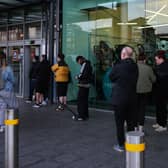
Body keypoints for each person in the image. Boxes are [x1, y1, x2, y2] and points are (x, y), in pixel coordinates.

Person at [109, 46, 138, 152]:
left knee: (119, 124)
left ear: (124, 54)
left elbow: (111, 77)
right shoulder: (135, 66)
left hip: (119, 99)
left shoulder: (119, 66)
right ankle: (131, 143)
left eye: (121, 53)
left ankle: (121, 145)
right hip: (132, 99)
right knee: (130, 123)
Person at [136, 54, 156, 131]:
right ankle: (140, 128)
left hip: (134, 91)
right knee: (142, 109)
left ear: (137, 60)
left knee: (134, 109)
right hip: (145, 92)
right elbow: (154, 80)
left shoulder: (133, 67)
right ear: (144, 60)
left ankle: (134, 127)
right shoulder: (148, 68)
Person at [152, 50, 168, 132]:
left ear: (161, 58)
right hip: (158, 90)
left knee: (162, 108)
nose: (156, 61)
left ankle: (163, 125)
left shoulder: (165, 66)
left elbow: (161, 77)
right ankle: (159, 122)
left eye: (156, 59)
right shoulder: (160, 66)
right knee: (158, 107)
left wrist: (155, 74)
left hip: (163, 91)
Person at [73, 56, 93, 121]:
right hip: (87, 85)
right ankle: (85, 115)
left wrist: (77, 77)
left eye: (78, 61)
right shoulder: (89, 65)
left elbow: (82, 74)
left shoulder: (85, 65)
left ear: (81, 60)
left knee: (80, 100)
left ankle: (81, 115)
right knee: (84, 100)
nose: (78, 63)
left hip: (83, 85)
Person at [0, 55, 16, 132]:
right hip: (7, 90)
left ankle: (2, 126)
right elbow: (13, 80)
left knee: (2, 108)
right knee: (13, 106)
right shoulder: (8, 69)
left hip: (0, 91)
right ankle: (11, 123)